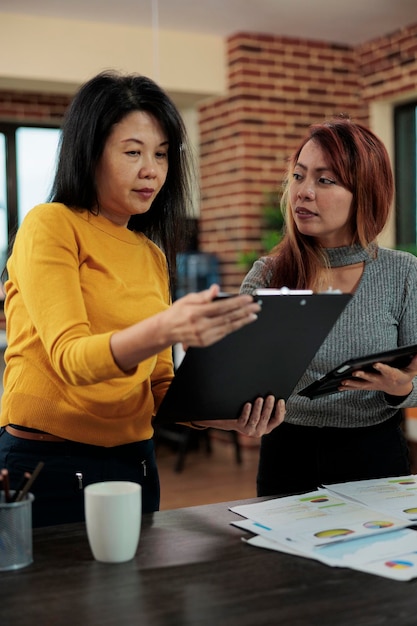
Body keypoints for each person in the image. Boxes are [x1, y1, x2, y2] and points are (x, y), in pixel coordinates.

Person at [0, 70, 284, 527]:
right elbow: (71, 359)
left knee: (134, 599)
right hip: (47, 466)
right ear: (89, 152)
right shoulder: (51, 224)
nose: (151, 169)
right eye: (132, 152)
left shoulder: (151, 254)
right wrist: (166, 327)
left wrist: (219, 417)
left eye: (161, 155)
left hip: (135, 464)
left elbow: (158, 389)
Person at [240, 115, 417, 498]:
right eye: (299, 176)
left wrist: (401, 387)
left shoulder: (403, 272)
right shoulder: (268, 274)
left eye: (325, 180)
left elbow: (415, 379)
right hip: (287, 452)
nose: (303, 192)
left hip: (375, 454)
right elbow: (235, 374)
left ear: (365, 193)